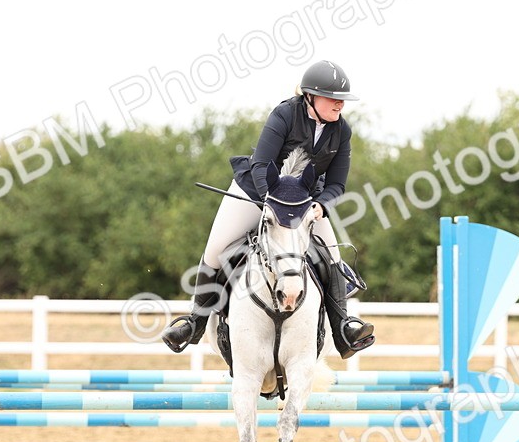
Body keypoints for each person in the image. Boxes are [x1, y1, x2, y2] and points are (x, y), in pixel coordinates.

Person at [161, 59, 375, 359]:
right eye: (332, 98)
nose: (339, 105)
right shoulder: (285, 114)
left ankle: (344, 329)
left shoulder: (342, 131)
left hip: (304, 203)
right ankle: (194, 323)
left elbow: (337, 185)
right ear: (310, 97)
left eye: (342, 100)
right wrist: (269, 201)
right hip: (256, 192)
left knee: (333, 257)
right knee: (216, 249)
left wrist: (321, 206)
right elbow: (261, 164)